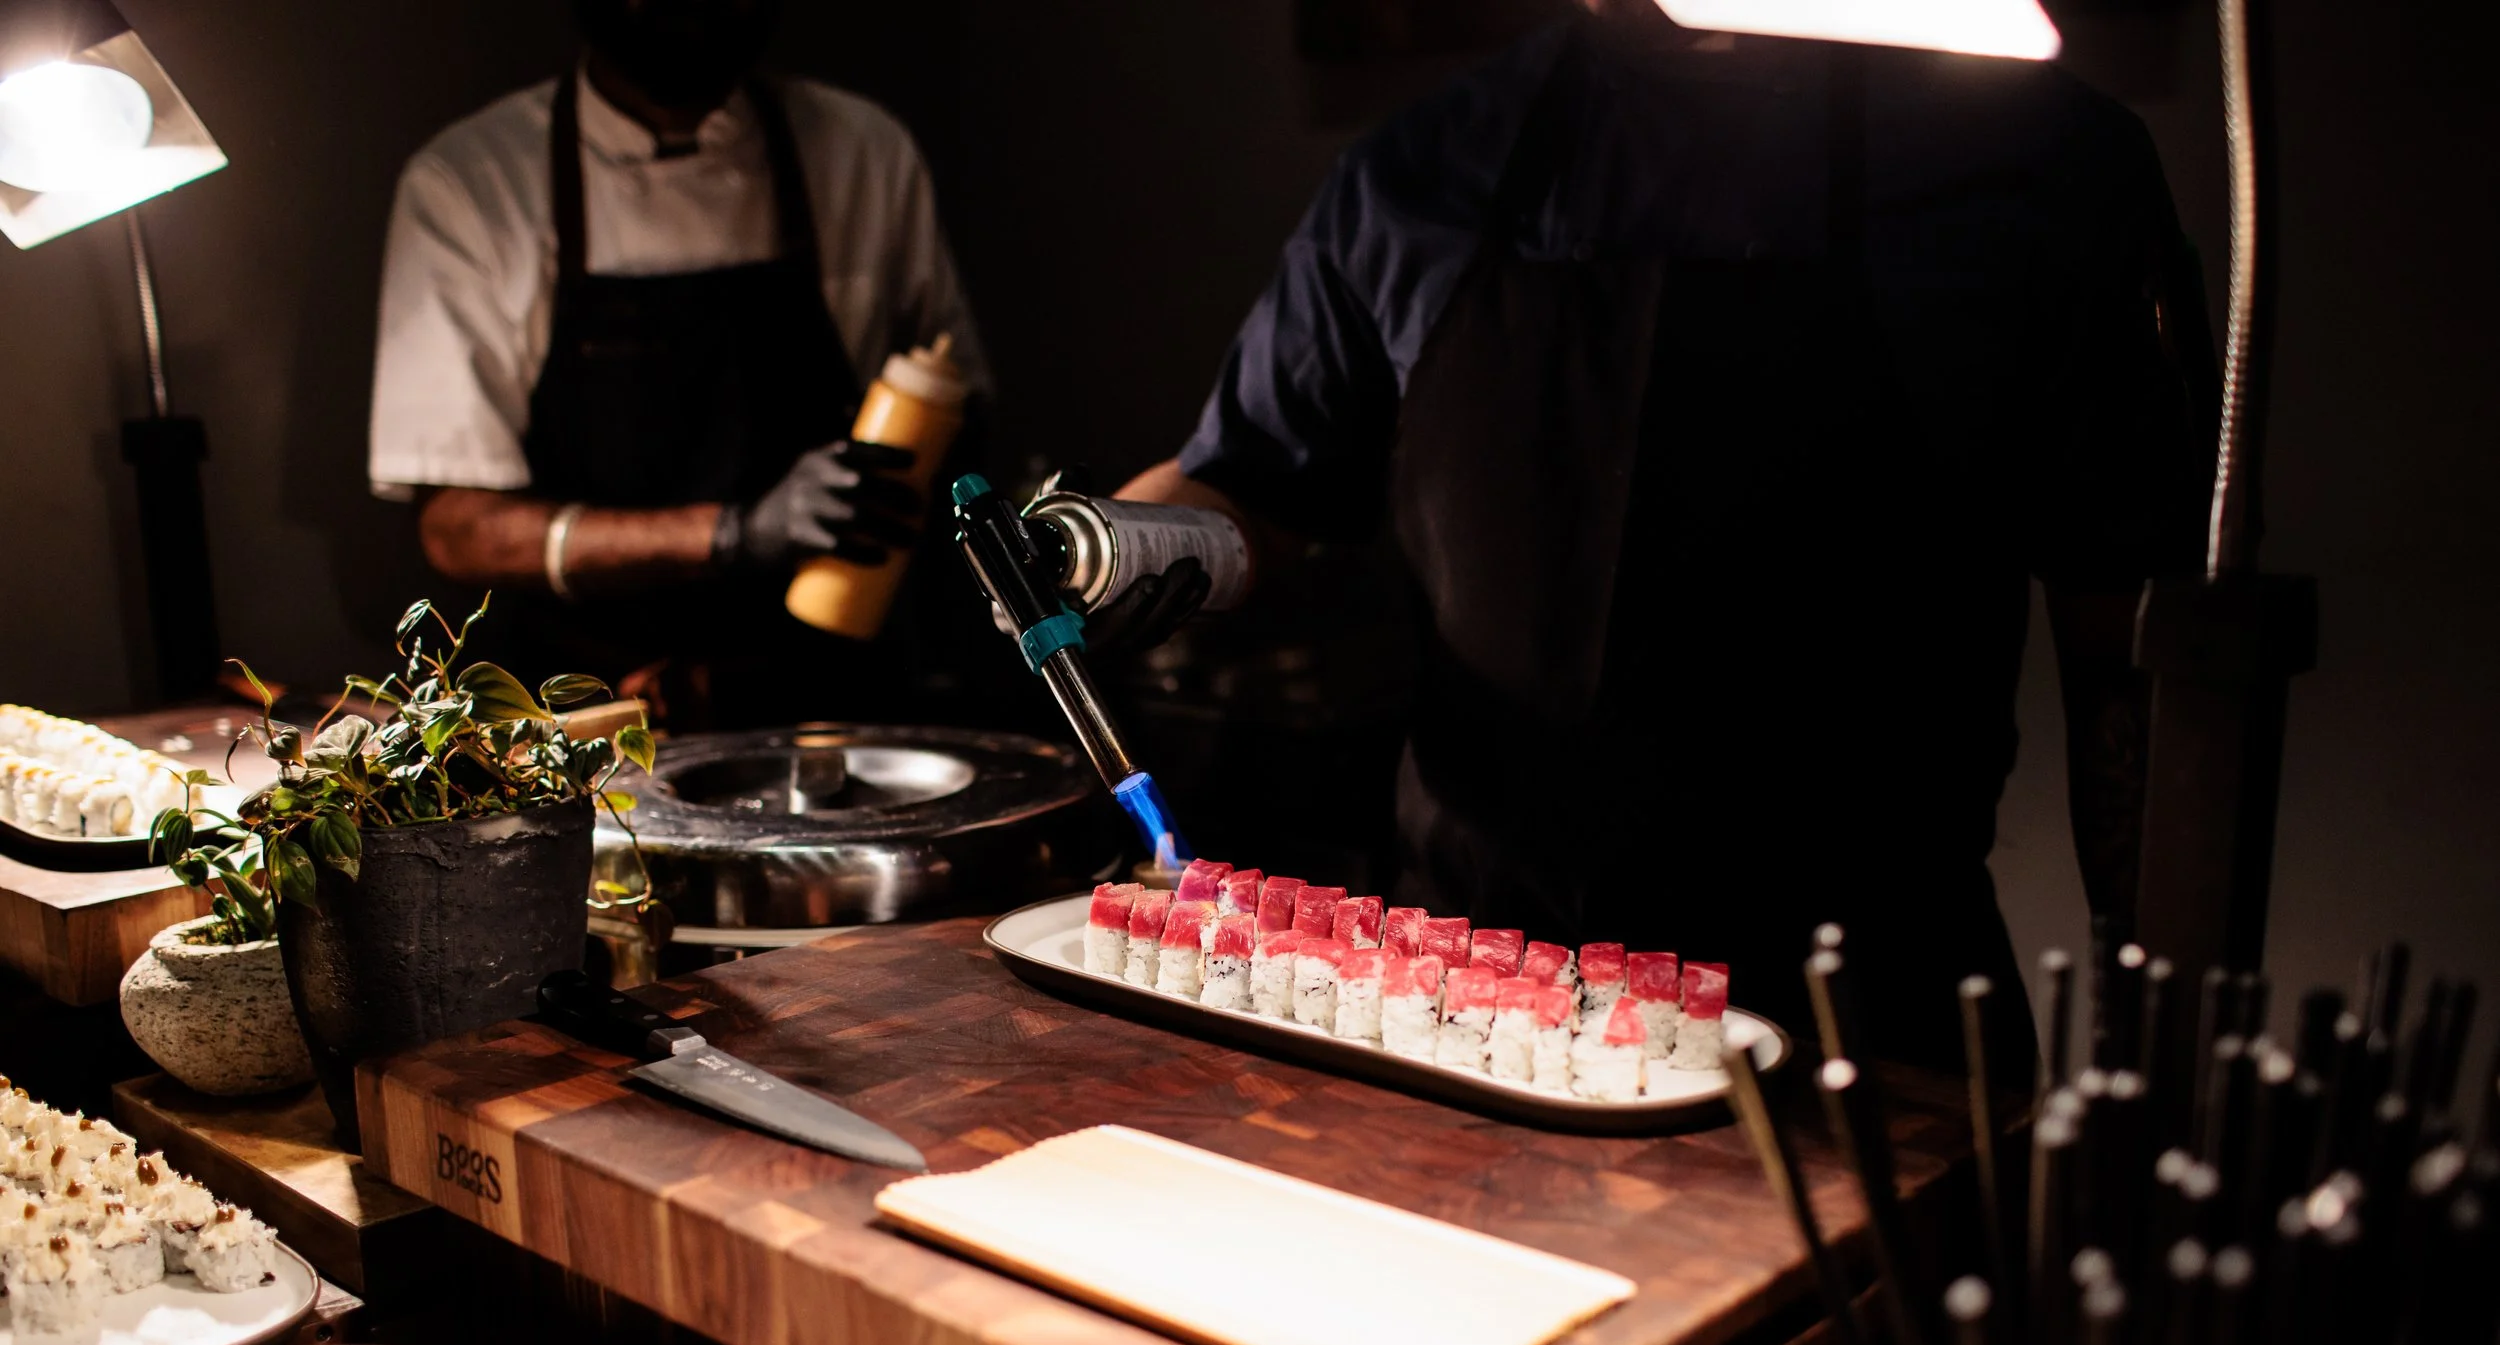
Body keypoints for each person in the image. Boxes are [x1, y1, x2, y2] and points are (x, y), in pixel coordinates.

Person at [1112, 5, 2215, 1071]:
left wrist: (2165, 1054)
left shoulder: (2040, 167)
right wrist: (1097, 548)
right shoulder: (1424, 170)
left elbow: (2134, 644)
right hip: (1477, 1015)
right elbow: (1244, 491)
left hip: (1864, 1035)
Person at [367, 0, 986, 728]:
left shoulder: (864, 153)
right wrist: (734, 534)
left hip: (829, 703)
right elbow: (460, 528)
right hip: (594, 718)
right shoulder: (472, 183)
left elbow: (961, 408)